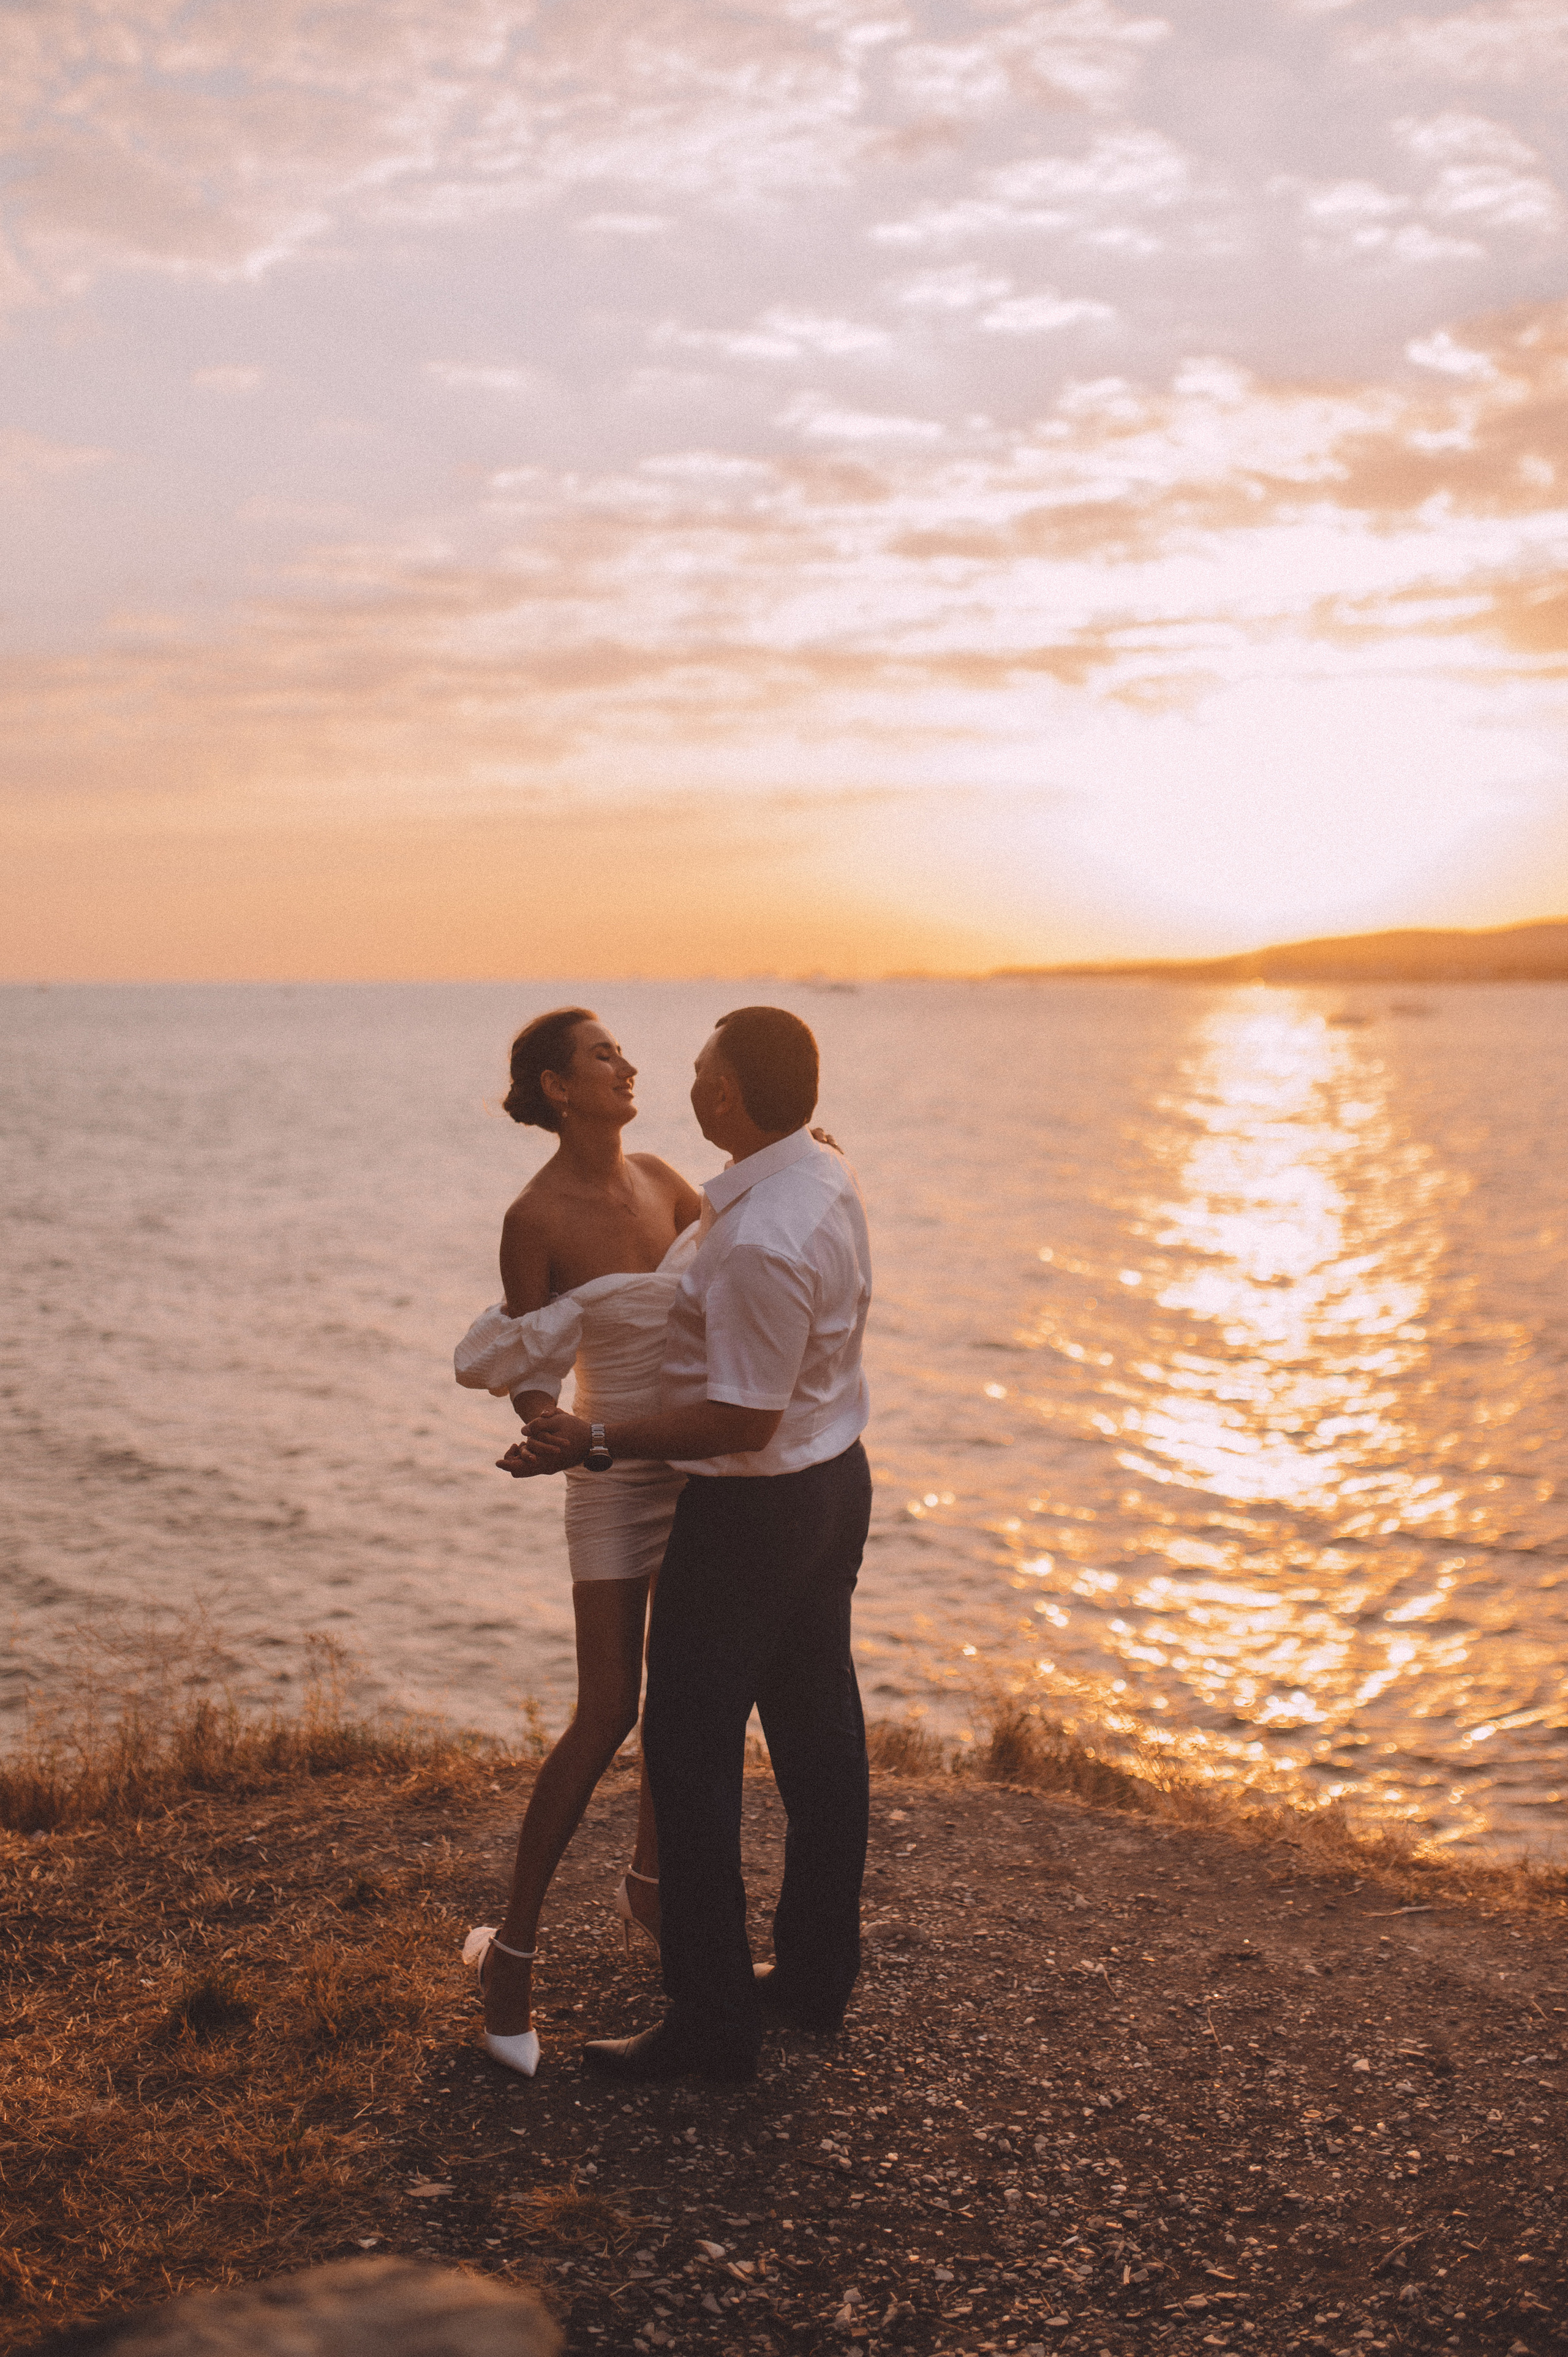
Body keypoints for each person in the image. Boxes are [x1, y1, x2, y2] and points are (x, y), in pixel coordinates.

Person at [515, 1006, 873, 2083]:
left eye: (699, 1067)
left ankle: (713, 2026)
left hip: (754, 1509)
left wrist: (601, 1440)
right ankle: (814, 1977)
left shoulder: (763, 1236)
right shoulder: (813, 1174)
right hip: (830, 1486)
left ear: (726, 1098)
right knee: (819, 1739)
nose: (681, 1077)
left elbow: (742, 1421)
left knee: (691, 1751)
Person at [453, 1007, 702, 2076]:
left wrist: (805, 1165)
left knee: (688, 1694)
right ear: (559, 1087)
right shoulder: (535, 1214)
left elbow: (736, 1253)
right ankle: (511, 1954)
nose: (627, 1063)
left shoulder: (665, 1176)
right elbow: (533, 1365)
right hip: (607, 1475)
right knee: (611, 1709)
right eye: (604, 1054)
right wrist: (547, 1432)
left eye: (621, 1051)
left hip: (697, 1462)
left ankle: (651, 1890)